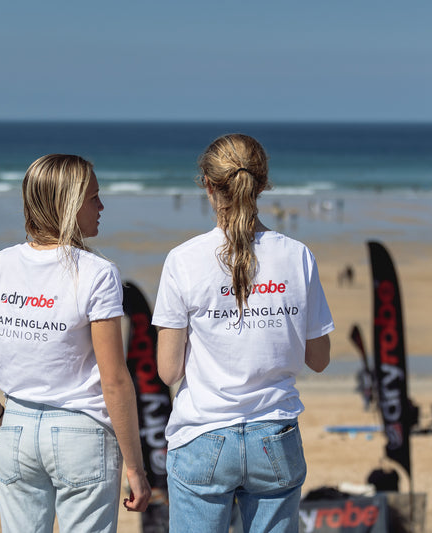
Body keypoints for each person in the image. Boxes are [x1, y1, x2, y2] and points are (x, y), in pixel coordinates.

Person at [0, 154, 151, 532]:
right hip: (82, 431)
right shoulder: (97, 273)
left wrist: (0, 421)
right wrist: (136, 468)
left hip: (17, 427)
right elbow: (114, 381)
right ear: (69, 205)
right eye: (93, 197)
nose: (101, 206)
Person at [152, 134, 334, 532]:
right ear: (263, 184)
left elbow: (168, 371)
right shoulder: (297, 255)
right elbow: (319, 359)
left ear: (207, 184)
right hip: (276, 432)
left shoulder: (183, 259)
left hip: (203, 432)